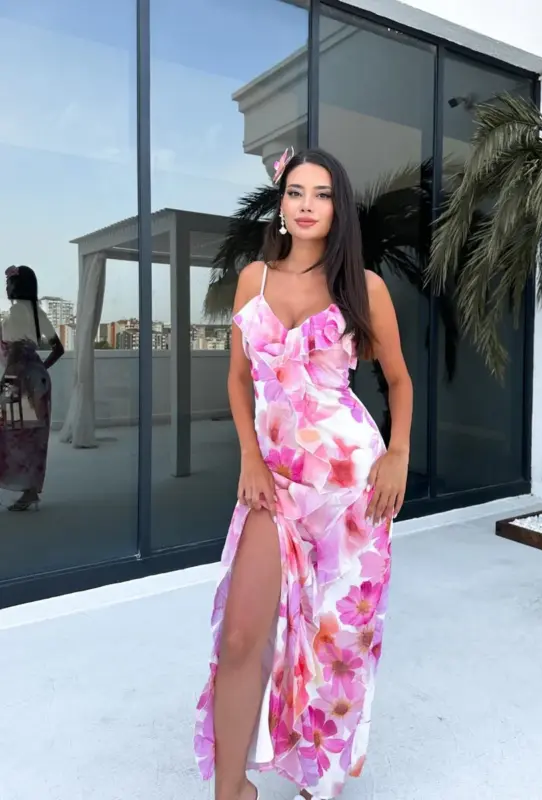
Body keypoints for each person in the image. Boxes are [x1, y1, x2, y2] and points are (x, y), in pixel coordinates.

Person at [194, 148, 413, 800]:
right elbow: (238, 380)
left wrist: (398, 454)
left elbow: (398, 380)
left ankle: (319, 780)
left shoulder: (363, 287)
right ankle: (231, 789)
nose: (308, 204)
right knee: (242, 635)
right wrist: (249, 457)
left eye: (321, 193)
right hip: (276, 486)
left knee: (337, 640)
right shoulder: (253, 279)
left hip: (353, 490)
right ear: (282, 203)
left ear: (337, 207)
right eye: (296, 192)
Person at [0, 265, 64, 511]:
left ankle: (21, 488)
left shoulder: (14, 314)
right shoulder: (39, 313)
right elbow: (58, 349)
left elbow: (12, 352)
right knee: (32, 437)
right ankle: (30, 492)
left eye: (8, 283)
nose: (6, 286)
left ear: (17, 286)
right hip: (38, 380)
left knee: (11, 433)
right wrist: (40, 368)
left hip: (17, 380)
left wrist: (8, 381)